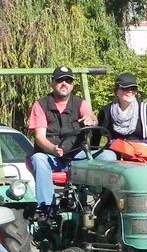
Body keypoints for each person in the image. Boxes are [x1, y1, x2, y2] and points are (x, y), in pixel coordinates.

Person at [27, 65, 114, 213]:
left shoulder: (80, 103)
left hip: (76, 156)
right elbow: (40, 137)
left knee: (109, 156)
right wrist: (52, 149)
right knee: (38, 159)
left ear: (72, 84)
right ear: (53, 83)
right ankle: (47, 209)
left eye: (68, 80)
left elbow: (91, 117)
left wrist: (91, 120)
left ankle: (104, 204)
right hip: (52, 157)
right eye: (60, 80)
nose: (64, 84)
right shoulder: (40, 105)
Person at [96, 73, 147, 155]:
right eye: (125, 88)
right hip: (115, 156)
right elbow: (97, 134)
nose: (130, 91)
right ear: (116, 91)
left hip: (139, 155)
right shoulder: (106, 111)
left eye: (133, 88)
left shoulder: (145, 109)